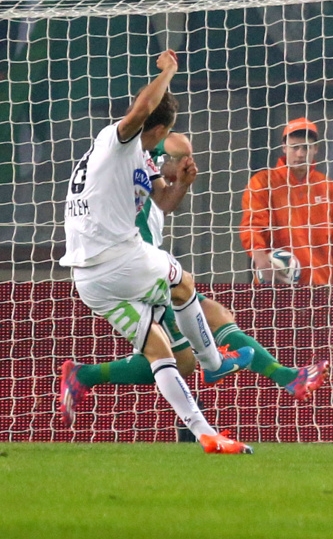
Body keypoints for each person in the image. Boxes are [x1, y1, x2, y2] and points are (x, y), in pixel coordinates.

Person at [57, 49, 253, 454]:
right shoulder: (116, 140)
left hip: (89, 280)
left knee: (158, 351)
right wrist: (169, 71)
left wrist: (181, 183)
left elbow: (162, 202)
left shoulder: (139, 158)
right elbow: (144, 107)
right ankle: (215, 364)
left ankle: (206, 435)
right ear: (159, 128)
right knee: (184, 284)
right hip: (116, 258)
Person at [61, 132, 328, 421]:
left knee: (184, 360)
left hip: (141, 264)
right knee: (211, 319)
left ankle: (83, 375)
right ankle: (285, 377)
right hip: (135, 267)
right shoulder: (136, 149)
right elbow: (177, 144)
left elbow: (165, 199)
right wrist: (177, 150)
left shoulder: (132, 163)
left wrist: (178, 174)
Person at [240, 117, 333, 286]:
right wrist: (262, 263)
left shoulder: (330, 190)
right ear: (284, 148)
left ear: (315, 149)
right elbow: (253, 226)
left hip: (318, 287)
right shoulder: (262, 182)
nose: (300, 154)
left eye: (306, 147)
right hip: (274, 284)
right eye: (295, 147)